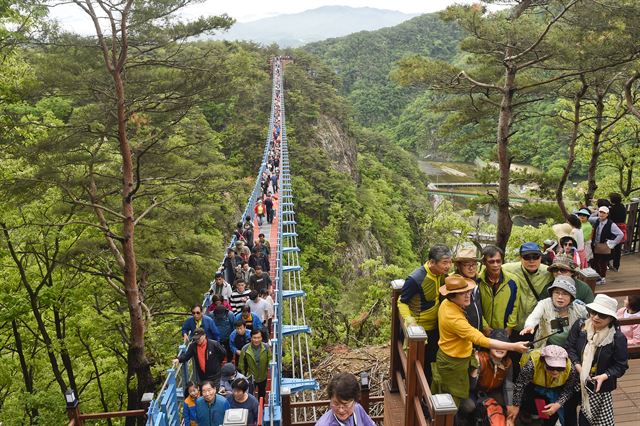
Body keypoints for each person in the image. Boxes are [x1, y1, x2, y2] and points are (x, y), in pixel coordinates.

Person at [432, 274, 528, 411]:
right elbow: (480, 339)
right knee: (452, 401)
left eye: (468, 291)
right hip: (453, 362)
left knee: (453, 395)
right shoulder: (453, 318)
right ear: (452, 296)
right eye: (462, 293)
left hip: (456, 355)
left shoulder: (447, 304)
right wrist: (513, 346)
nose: (467, 295)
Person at [565, 294, 629, 425]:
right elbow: (569, 348)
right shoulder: (580, 325)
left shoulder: (617, 338)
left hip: (596, 385)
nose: (596, 317)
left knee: (587, 420)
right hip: (574, 379)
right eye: (593, 312)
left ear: (611, 318)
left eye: (602, 315)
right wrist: (579, 367)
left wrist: (604, 376)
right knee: (568, 412)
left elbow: (621, 365)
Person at [398, 244, 452, 384]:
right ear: (432, 262)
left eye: (449, 262)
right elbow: (402, 301)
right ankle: (412, 393)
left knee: (430, 364)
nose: (448, 266)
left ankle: (425, 395)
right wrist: (409, 320)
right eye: (444, 262)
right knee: (416, 364)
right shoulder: (416, 278)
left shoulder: (441, 275)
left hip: (435, 328)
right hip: (419, 331)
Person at [509, 345, 579, 426]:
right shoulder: (531, 366)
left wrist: (558, 404)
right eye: (551, 367)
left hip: (557, 389)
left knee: (553, 416)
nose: (555, 372)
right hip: (534, 386)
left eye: (560, 368)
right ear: (543, 362)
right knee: (531, 407)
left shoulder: (571, 370)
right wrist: (516, 405)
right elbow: (520, 385)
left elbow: (569, 389)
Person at [520, 276, 587, 348]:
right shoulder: (544, 304)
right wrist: (529, 325)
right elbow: (534, 316)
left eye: (565, 294)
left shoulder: (579, 309)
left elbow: (591, 319)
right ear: (551, 294)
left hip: (569, 349)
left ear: (571, 297)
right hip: (545, 345)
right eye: (557, 292)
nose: (560, 297)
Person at [503, 242, 552, 340]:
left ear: (541, 258)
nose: (531, 261)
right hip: (514, 325)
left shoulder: (548, 272)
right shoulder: (509, 269)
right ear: (520, 258)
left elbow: (566, 275)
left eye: (535, 256)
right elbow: (491, 269)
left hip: (536, 325)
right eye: (527, 257)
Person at [464, 329, 515, 423]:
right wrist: (475, 371)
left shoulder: (508, 362)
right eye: (497, 345)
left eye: (504, 346)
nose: (500, 348)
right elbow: (471, 387)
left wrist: (510, 404)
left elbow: (508, 385)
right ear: (489, 346)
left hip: (492, 391)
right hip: (474, 392)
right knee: (469, 406)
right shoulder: (480, 358)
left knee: (508, 406)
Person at [476, 245, 519, 337]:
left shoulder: (512, 280)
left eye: (498, 261)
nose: (495, 265)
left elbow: (516, 305)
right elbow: (476, 306)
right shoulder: (478, 281)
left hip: (504, 328)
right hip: (483, 330)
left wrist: (510, 326)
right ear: (484, 262)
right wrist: (484, 326)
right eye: (491, 262)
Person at [452, 245, 483, 331]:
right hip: (462, 333)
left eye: (474, 264)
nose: (471, 268)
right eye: (467, 265)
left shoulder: (478, 281)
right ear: (458, 266)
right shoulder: (452, 284)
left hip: (478, 332)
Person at [590, 206, 623, 285]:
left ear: (607, 214)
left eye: (603, 213)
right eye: (600, 212)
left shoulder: (611, 224)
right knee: (595, 261)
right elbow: (589, 217)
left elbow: (620, 234)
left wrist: (612, 243)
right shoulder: (597, 221)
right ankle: (598, 277)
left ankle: (603, 278)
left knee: (603, 263)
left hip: (604, 246)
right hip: (595, 245)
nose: (601, 214)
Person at [238, 329, 271, 400]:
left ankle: (261, 408)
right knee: (250, 395)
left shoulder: (266, 347)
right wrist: (243, 376)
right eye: (254, 338)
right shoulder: (245, 348)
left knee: (262, 394)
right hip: (250, 377)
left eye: (259, 337)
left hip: (263, 376)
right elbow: (241, 364)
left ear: (262, 338)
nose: (256, 340)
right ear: (251, 338)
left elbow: (270, 360)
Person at [608, 193, 627, 272]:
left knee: (611, 245)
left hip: (614, 228)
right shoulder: (622, 207)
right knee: (618, 248)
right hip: (622, 227)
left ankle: (609, 263)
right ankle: (616, 266)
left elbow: (610, 218)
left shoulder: (612, 209)